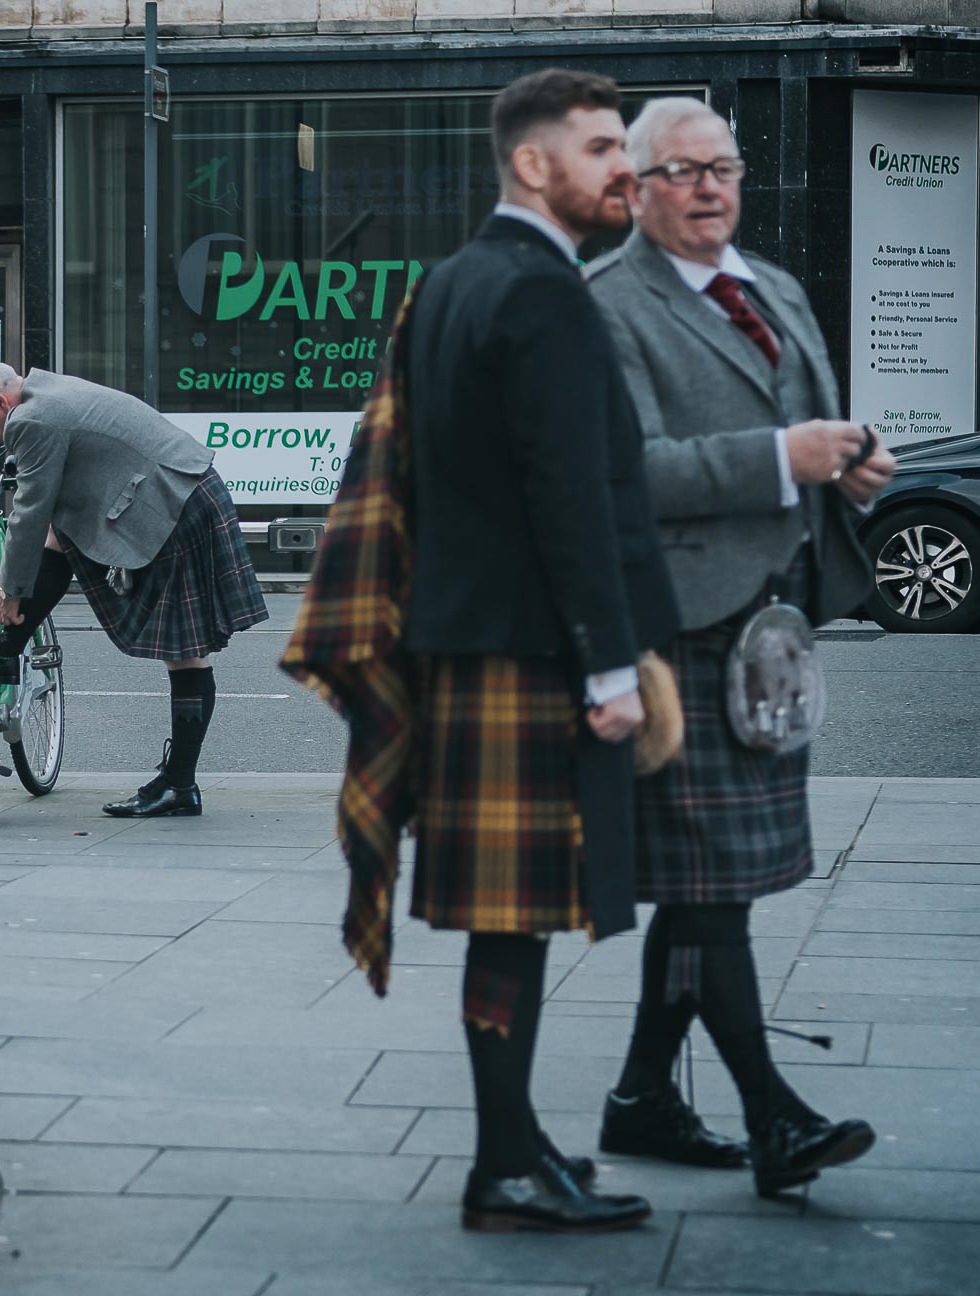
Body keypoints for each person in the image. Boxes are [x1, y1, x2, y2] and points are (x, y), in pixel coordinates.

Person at [585, 98, 892, 1197]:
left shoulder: (773, 286)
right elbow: (624, 469)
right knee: (712, 885)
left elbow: (811, 422)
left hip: (770, 633)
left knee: (709, 886)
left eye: (726, 167)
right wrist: (780, 455)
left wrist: (847, 458)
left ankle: (641, 1100)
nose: (712, 187)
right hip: (677, 632)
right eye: (685, 172)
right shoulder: (606, 308)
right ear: (636, 185)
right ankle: (775, 1119)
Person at [401, 68, 680, 1232]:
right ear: (533, 162)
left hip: (472, 649)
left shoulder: (453, 284)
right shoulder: (543, 294)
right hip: (531, 656)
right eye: (606, 147)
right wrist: (613, 667)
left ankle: (511, 1152)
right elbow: (568, 494)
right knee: (513, 922)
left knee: (503, 922)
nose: (629, 167)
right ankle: (504, 1169)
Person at [0, 362, 267, 817]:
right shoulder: (46, 390)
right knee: (62, 541)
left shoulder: (32, 418)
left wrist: (10, 588)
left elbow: (30, 508)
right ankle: (9, 648)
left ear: (0, 403)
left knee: (185, 650)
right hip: (183, 490)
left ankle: (179, 785)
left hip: (173, 505)